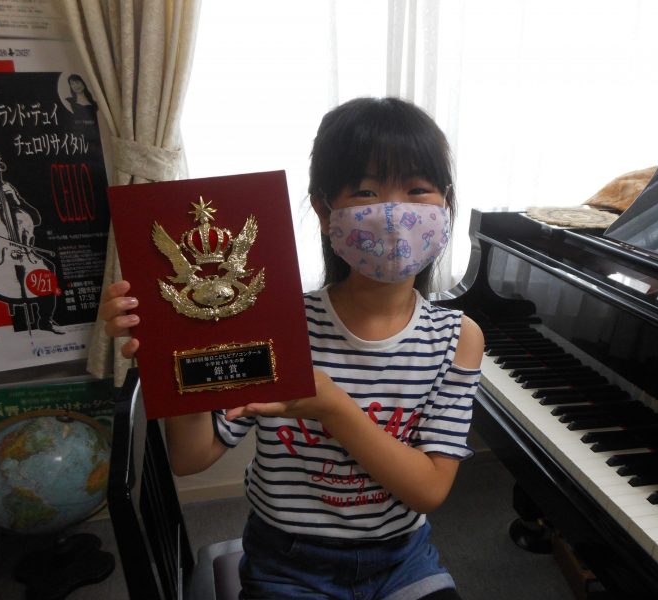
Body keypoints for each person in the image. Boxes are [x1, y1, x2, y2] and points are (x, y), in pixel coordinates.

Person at [99, 97, 484, 600]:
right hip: (287, 563)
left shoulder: (457, 337)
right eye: (366, 191)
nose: (393, 215)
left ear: (446, 205)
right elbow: (191, 457)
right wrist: (176, 351)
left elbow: (428, 490)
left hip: (402, 560)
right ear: (324, 211)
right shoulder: (279, 324)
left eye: (417, 190)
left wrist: (331, 405)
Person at [0, 148, 61, 339]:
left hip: (19, 247)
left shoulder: (6, 187)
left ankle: (45, 321)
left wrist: (16, 200)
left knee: (48, 269)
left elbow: (35, 219)